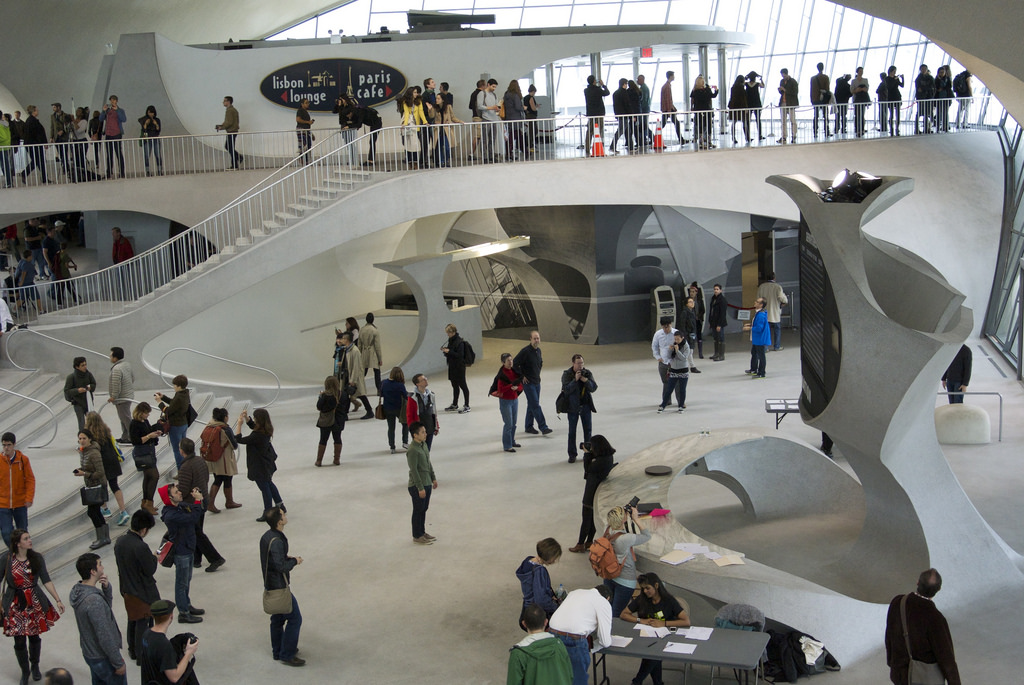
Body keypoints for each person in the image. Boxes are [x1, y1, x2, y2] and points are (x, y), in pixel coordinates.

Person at [1, 530, 65, 685]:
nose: (30, 540)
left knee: (35, 637)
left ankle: (35, 665)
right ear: (18, 543)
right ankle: (25, 671)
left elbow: (46, 580)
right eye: (26, 539)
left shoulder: (36, 558)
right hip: (15, 603)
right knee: (19, 640)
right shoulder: (6, 558)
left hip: (34, 602)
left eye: (29, 538)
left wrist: (57, 599)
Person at [884, 569, 961, 685]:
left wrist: (892, 663)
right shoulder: (935, 618)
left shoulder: (898, 603)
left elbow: (889, 636)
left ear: (917, 582)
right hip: (922, 679)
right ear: (938, 590)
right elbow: (946, 658)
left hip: (899, 674)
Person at [619, 572, 691, 685]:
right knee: (653, 655)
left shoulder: (669, 601)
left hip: (665, 637)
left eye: (648, 588)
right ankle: (657, 683)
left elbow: (686, 621)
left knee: (653, 654)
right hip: (646, 637)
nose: (645, 591)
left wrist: (664, 623)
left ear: (656, 586)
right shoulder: (642, 599)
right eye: (643, 589)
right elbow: (624, 614)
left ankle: (637, 681)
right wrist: (640, 620)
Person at [70, 553, 127, 684]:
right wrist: (118, 663)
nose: (103, 567)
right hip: (102, 656)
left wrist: (106, 588)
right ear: (93, 571)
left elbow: (106, 610)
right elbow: (104, 634)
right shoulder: (93, 601)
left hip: (90, 653)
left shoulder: (79, 590)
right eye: (100, 564)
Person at [260, 506, 305, 666]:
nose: (285, 516)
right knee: (295, 618)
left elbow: (273, 560)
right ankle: (287, 653)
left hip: (270, 584)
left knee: (277, 618)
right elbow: (280, 566)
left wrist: (286, 558)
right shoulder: (277, 541)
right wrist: (294, 561)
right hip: (279, 586)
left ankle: (277, 650)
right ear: (279, 521)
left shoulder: (267, 537)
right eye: (283, 514)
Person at [113, 510, 159, 664]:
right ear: (144, 529)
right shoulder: (140, 546)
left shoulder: (120, 542)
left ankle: (132, 650)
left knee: (132, 619)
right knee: (143, 623)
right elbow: (150, 569)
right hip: (142, 591)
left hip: (127, 588)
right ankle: (141, 655)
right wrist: (154, 557)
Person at [176, 438, 226, 573]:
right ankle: (196, 559)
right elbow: (206, 478)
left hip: (192, 505)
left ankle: (215, 558)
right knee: (197, 530)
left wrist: (176, 490)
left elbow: (184, 490)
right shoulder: (199, 460)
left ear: (181, 451)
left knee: (196, 533)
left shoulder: (185, 467)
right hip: (203, 499)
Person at [547, 585, 613, 685]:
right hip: (573, 640)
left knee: (555, 677)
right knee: (577, 680)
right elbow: (605, 641)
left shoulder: (575, 592)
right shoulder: (602, 602)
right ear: (607, 598)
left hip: (551, 634)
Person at [158, 483, 204, 624]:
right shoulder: (171, 515)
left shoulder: (179, 507)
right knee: (181, 583)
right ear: (169, 497)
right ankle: (183, 612)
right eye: (176, 492)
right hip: (181, 551)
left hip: (188, 548)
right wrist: (197, 501)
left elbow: (197, 513)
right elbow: (193, 518)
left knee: (186, 580)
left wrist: (199, 499)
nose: (180, 493)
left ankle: (187, 605)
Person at [602, 505, 652, 618]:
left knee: (607, 609)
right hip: (625, 581)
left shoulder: (607, 530)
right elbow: (647, 536)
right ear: (623, 520)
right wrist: (636, 518)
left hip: (609, 575)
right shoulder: (626, 538)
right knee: (617, 613)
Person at [236, 408, 284, 521]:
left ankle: (268, 511)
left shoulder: (256, 436)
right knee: (269, 484)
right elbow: (254, 426)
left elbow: (239, 439)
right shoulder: (266, 429)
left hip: (259, 465)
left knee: (264, 487)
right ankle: (280, 505)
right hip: (266, 462)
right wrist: (247, 419)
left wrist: (239, 424)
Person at [507, 603, 573, 685]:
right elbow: (569, 675)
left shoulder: (518, 654)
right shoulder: (559, 645)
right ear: (546, 622)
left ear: (524, 624)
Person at [83, 412, 130, 527]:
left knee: (101, 485)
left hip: (101, 462)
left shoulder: (90, 435)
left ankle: (105, 509)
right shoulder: (105, 430)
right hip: (112, 460)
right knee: (114, 485)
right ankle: (123, 510)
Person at [139, 600, 199, 685]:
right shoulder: (164, 644)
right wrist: (188, 653)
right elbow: (174, 677)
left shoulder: (146, 634)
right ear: (171, 616)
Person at [74, 429, 110, 550]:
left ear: (89, 439)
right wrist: (81, 470)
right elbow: (88, 467)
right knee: (95, 512)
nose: (82, 441)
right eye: (80, 438)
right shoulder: (84, 452)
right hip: (91, 485)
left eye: (84, 438)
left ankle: (102, 537)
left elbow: (100, 472)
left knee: (92, 512)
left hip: (97, 486)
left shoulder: (94, 453)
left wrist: (84, 473)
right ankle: (104, 537)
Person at [202, 407, 242, 511]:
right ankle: (226, 502)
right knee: (226, 479)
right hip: (224, 459)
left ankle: (216, 502)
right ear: (225, 417)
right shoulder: (225, 429)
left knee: (218, 478)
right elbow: (235, 445)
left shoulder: (210, 425)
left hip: (213, 458)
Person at [514, 331, 553, 437]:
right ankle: (543, 427)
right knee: (535, 404)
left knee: (532, 404)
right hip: (528, 383)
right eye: (534, 338)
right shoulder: (525, 351)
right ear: (530, 339)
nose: (536, 340)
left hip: (537, 382)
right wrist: (522, 376)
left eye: (538, 338)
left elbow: (539, 363)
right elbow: (514, 364)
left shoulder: (538, 351)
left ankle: (528, 426)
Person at [515, 538, 562, 625]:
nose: (555, 561)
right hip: (537, 613)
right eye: (555, 558)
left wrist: (551, 595)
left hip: (527, 609)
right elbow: (541, 599)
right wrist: (557, 608)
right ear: (550, 557)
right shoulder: (539, 571)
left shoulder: (527, 561)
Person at [406, 421, 439, 545]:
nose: (425, 434)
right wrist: (420, 488)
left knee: (424, 509)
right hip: (417, 486)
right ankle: (417, 535)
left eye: (425, 432)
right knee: (418, 510)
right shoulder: (412, 450)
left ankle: (422, 531)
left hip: (426, 483)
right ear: (415, 435)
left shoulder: (423, 445)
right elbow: (413, 470)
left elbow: (428, 462)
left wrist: (433, 478)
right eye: (423, 432)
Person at [561, 354, 597, 464]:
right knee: (572, 432)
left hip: (585, 406)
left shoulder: (587, 373)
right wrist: (575, 380)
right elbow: (566, 390)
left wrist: (585, 380)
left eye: (582, 363)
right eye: (578, 363)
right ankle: (572, 454)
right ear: (573, 363)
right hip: (573, 408)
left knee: (588, 431)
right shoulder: (567, 375)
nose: (580, 366)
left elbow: (594, 388)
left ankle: (588, 453)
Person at [0, 433, 35, 547]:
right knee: (6, 532)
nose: (6, 448)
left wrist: (29, 498)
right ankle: (15, 552)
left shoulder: (23, 460)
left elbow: (30, 479)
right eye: (4, 445)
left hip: (20, 502)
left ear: (14, 444)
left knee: (23, 531)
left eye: (9, 445)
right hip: (3, 504)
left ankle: (23, 554)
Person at [129, 402, 161, 515]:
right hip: (142, 453)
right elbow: (135, 441)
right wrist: (148, 436)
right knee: (154, 476)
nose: (148, 415)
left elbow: (148, 431)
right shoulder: (134, 424)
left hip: (149, 451)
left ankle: (145, 501)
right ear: (141, 413)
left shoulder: (145, 421)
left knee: (148, 477)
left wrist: (155, 432)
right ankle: (149, 503)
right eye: (146, 413)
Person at [334, 331, 374, 419]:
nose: (342, 340)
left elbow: (356, 367)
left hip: (354, 377)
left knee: (360, 394)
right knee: (348, 395)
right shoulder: (347, 349)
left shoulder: (354, 351)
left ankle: (369, 411)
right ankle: (345, 414)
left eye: (343, 338)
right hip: (348, 376)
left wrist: (353, 380)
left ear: (347, 339)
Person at [155, 375, 190, 469]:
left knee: (178, 450)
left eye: (174, 385)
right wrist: (163, 397)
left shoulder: (179, 396)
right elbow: (174, 403)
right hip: (183, 423)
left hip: (176, 425)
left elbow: (168, 411)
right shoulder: (185, 393)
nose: (173, 387)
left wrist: (159, 402)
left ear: (179, 386)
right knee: (183, 448)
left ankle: (181, 470)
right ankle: (185, 467)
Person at [493, 353, 524, 453]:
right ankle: (507, 446)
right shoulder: (502, 374)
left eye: (511, 360)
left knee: (514, 423)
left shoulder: (515, 371)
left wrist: (517, 387)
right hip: (505, 401)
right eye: (508, 361)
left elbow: (520, 385)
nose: (511, 362)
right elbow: (500, 389)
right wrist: (511, 386)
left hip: (515, 400)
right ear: (503, 363)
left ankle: (512, 441)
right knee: (508, 424)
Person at [314, 376, 347, 466]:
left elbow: (319, 407)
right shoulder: (342, 394)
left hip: (326, 421)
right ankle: (337, 459)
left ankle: (319, 460)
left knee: (323, 440)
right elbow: (345, 407)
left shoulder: (324, 396)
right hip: (338, 420)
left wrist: (320, 397)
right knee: (337, 439)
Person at [106, 346, 134, 444]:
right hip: (128, 395)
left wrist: (114, 396)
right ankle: (125, 436)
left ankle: (132, 437)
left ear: (115, 357)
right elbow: (132, 378)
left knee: (126, 418)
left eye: (111, 356)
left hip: (122, 398)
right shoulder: (127, 365)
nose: (110, 357)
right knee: (123, 418)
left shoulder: (117, 369)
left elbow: (116, 384)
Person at [441, 323, 471, 413]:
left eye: (448, 333)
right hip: (452, 366)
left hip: (459, 367)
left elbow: (460, 355)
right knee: (454, 386)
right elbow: (452, 353)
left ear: (453, 332)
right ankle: (455, 404)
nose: (447, 335)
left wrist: (449, 351)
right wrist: (446, 352)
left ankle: (467, 405)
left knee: (463, 385)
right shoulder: (451, 340)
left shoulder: (459, 342)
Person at [660, 332, 692, 413]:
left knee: (682, 389)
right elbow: (669, 357)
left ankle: (681, 406)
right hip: (674, 370)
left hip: (683, 370)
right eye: (675, 339)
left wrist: (677, 351)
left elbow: (684, 358)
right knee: (669, 389)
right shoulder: (674, 345)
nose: (676, 341)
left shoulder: (686, 346)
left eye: (678, 339)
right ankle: (663, 405)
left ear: (682, 338)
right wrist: (670, 350)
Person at [406, 373, 440, 450]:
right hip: (419, 429)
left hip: (430, 427)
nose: (426, 380)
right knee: (420, 451)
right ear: (417, 384)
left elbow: (433, 412)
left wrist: (436, 425)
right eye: (423, 380)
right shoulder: (412, 398)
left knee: (427, 450)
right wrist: (413, 430)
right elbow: (409, 415)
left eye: (425, 378)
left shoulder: (431, 395)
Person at [756, 272, 788, 351]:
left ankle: (765, 347)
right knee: (777, 330)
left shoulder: (761, 287)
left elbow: (758, 298)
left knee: (765, 330)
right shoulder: (777, 287)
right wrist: (784, 302)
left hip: (764, 312)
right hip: (775, 312)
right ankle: (777, 346)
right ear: (774, 278)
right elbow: (783, 299)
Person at [381, 367, 409, 454]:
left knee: (391, 427)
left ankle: (392, 446)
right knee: (405, 423)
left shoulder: (384, 383)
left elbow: (381, 394)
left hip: (387, 408)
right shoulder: (400, 385)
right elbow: (405, 396)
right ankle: (405, 442)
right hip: (399, 408)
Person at [64, 357, 97, 431]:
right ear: (77, 367)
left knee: (92, 421)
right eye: (82, 365)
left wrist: (90, 387)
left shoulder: (88, 374)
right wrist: (77, 390)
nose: (85, 367)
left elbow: (94, 384)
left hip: (88, 402)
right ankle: (83, 437)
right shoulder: (71, 377)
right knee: (81, 422)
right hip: (78, 403)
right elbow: (67, 391)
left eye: (85, 364)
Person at [743, 297, 771, 379]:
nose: (755, 302)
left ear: (761, 305)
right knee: (754, 353)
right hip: (757, 339)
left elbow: (759, 328)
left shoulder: (761, 315)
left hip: (760, 339)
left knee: (761, 355)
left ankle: (762, 372)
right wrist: (751, 325)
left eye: (757, 302)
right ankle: (754, 369)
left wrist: (750, 328)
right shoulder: (759, 313)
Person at [20, 106, 49, 185]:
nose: (38, 111)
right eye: (37, 110)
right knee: (38, 160)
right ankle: (24, 173)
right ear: (33, 111)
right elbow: (38, 134)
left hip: (33, 144)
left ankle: (44, 178)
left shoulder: (30, 121)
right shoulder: (32, 121)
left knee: (40, 161)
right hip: (34, 144)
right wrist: (44, 143)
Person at [689, 75, 718, 150]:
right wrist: (716, 90)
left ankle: (703, 141)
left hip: (700, 110)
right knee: (706, 125)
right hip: (706, 109)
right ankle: (707, 141)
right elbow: (713, 96)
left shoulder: (695, 91)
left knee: (702, 125)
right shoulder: (706, 90)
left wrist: (692, 107)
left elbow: (692, 99)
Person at [101, 96, 126, 179]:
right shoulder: (107, 111)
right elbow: (101, 119)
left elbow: (124, 119)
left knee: (118, 153)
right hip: (108, 134)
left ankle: (122, 172)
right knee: (109, 154)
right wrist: (103, 111)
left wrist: (117, 110)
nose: (112, 102)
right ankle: (109, 173)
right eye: (111, 100)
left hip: (117, 133)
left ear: (117, 101)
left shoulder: (120, 110)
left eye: (114, 100)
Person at [584, 75, 610, 155]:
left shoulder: (586, 90)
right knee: (599, 130)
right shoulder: (598, 90)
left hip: (591, 113)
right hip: (599, 113)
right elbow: (607, 93)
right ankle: (599, 146)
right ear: (594, 81)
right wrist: (603, 85)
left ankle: (587, 148)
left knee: (590, 131)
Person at [215, 96, 243, 169]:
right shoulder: (231, 110)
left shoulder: (230, 111)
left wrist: (222, 127)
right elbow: (228, 122)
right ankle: (237, 159)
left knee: (229, 147)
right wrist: (222, 126)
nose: (223, 102)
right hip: (232, 131)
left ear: (228, 101)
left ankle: (236, 162)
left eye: (224, 101)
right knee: (229, 147)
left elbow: (229, 122)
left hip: (232, 131)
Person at [651, 315, 677, 392]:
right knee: (665, 382)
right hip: (663, 362)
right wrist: (658, 357)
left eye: (668, 327)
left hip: (674, 362)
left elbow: (683, 346)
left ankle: (681, 402)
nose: (666, 329)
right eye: (664, 327)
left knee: (677, 382)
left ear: (670, 324)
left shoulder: (676, 333)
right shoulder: (658, 334)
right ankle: (666, 401)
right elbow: (654, 346)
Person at [503, 80, 527, 160]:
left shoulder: (506, 94)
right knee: (516, 136)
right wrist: (523, 108)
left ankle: (511, 152)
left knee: (513, 136)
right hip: (516, 118)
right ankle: (523, 151)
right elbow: (517, 107)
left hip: (508, 118)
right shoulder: (515, 95)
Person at [359, 312, 383, 393]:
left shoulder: (362, 330)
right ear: (373, 320)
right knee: (377, 372)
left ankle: (359, 388)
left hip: (364, 353)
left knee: (363, 372)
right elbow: (377, 347)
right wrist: (380, 358)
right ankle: (379, 389)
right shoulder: (375, 331)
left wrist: (359, 355)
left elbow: (359, 345)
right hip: (373, 353)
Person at [660, 71, 684, 144]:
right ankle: (681, 139)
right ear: (670, 76)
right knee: (674, 123)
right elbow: (668, 99)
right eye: (673, 75)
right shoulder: (667, 87)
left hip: (667, 109)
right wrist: (669, 110)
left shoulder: (666, 85)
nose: (674, 77)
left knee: (663, 124)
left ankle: (681, 139)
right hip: (668, 109)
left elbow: (668, 99)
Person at [138, 105, 163, 176]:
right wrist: (146, 123)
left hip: (155, 138)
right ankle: (148, 171)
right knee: (146, 155)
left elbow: (158, 130)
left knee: (157, 155)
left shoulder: (157, 120)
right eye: (149, 113)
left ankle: (160, 170)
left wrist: (156, 124)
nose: (151, 114)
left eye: (152, 113)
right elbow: (143, 129)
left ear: (154, 113)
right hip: (147, 139)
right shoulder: (145, 119)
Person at [679, 297, 701, 373]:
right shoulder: (685, 312)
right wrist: (684, 335)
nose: (692, 303)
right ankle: (692, 366)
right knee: (689, 351)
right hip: (687, 334)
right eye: (690, 302)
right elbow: (682, 324)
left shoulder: (692, 312)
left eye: (693, 301)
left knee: (690, 350)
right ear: (686, 304)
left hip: (692, 333)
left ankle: (687, 366)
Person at [810, 62, 831, 138]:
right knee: (826, 116)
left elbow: (812, 90)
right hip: (823, 100)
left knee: (816, 116)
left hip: (815, 99)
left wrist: (812, 99)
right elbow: (827, 89)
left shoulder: (813, 79)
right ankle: (826, 131)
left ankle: (815, 132)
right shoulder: (826, 78)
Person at [777, 68, 798, 143]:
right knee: (783, 121)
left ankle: (794, 135)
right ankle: (784, 136)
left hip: (791, 103)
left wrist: (785, 90)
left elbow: (795, 92)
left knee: (792, 120)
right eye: (782, 76)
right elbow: (782, 93)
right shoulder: (782, 81)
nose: (783, 77)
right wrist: (780, 90)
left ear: (787, 74)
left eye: (784, 76)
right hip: (783, 102)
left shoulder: (793, 81)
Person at [709, 283, 729, 361]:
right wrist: (710, 322)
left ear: (720, 290)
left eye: (717, 289)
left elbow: (722, 314)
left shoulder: (722, 300)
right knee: (715, 338)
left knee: (721, 338)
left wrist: (719, 324)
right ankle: (716, 353)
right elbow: (711, 311)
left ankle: (721, 355)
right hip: (713, 322)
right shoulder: (713, 299)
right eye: (714, 289)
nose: (716, 291)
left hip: (719, 323)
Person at [728, 75, 750, 144]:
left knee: (734, 123)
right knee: (744, 122)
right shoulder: (742, 89)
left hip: (734, 107)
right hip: (741, 107)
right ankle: (747, 137)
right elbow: (744, 99)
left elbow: (732, 98)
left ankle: (733, 137)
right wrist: (746, 108)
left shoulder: (733, 88)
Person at [914, 64, 936, 135]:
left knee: (927, 114)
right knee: (919, 113)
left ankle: (926, 128)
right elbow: (919, 89)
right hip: (921, 98)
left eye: (924, 69)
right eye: (922, 69)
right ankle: (916, 129)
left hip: (928, 98)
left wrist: (924, 88)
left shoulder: (930, 78)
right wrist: (926, 88)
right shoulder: (918, 78)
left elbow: (932, 87)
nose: (923, 70)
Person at [851, 66, 871, 137]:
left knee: (862, 114)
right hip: (856, 100)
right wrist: (857, 90)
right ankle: (857, 129)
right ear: (857, 72)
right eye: (860, 71)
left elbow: (867, 89)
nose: (861, 72)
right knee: (857, 115)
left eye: (862, 71)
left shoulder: (865, 80)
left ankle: (862, 128)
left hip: (863, 100)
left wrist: (861, 89)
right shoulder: (853, 81)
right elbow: (852, 91)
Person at [885, 67, 905, 136]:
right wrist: (894, 79)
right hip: (891, 97)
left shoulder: (896, 78)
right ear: (890, 71)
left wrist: (902, 78)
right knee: (891, 114)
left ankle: (897, 128)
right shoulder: (887, 79)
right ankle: (891, 128)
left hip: (897, 96)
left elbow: (902, 85)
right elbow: (889, 87)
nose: (895, 73)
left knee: (898, 114)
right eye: (894, 71)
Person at [295, 98, 314, 165]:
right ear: (302, 104)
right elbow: (298, 119)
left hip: (307, 130)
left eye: (308, 103)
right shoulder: (300, 111)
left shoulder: (306, 112)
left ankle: (306, 160)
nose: (308, 104)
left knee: (308, 145)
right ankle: (302, 159)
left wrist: (311, 134)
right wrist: (308, 122)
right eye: (306, 103)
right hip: (302, 130)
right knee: (304, 146)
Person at [934, 65, 953, 133]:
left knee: (945, 112)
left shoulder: (947, 79)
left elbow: (948, 87)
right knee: (939, 113)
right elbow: (936, 87)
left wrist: (942, 86)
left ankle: (945, 126)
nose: (941, 74)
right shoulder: (936, 80)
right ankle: (938, 127)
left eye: (943, 72)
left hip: (946, 98)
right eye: (940, 72)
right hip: (939, 98)